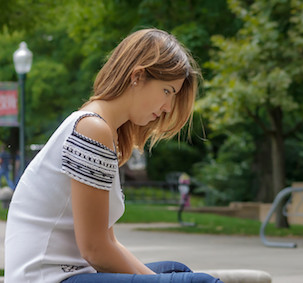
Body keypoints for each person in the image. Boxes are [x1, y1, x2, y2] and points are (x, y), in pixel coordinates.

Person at [5, 28, 223, 283]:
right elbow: (95, 249)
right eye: (167, 91)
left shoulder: (104, 130)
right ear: (138, 76)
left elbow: (107, 242)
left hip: (72, 273)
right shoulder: (91, 128)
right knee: (201, 282)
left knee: (177, 270)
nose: (167, 108)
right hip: (46, 278)